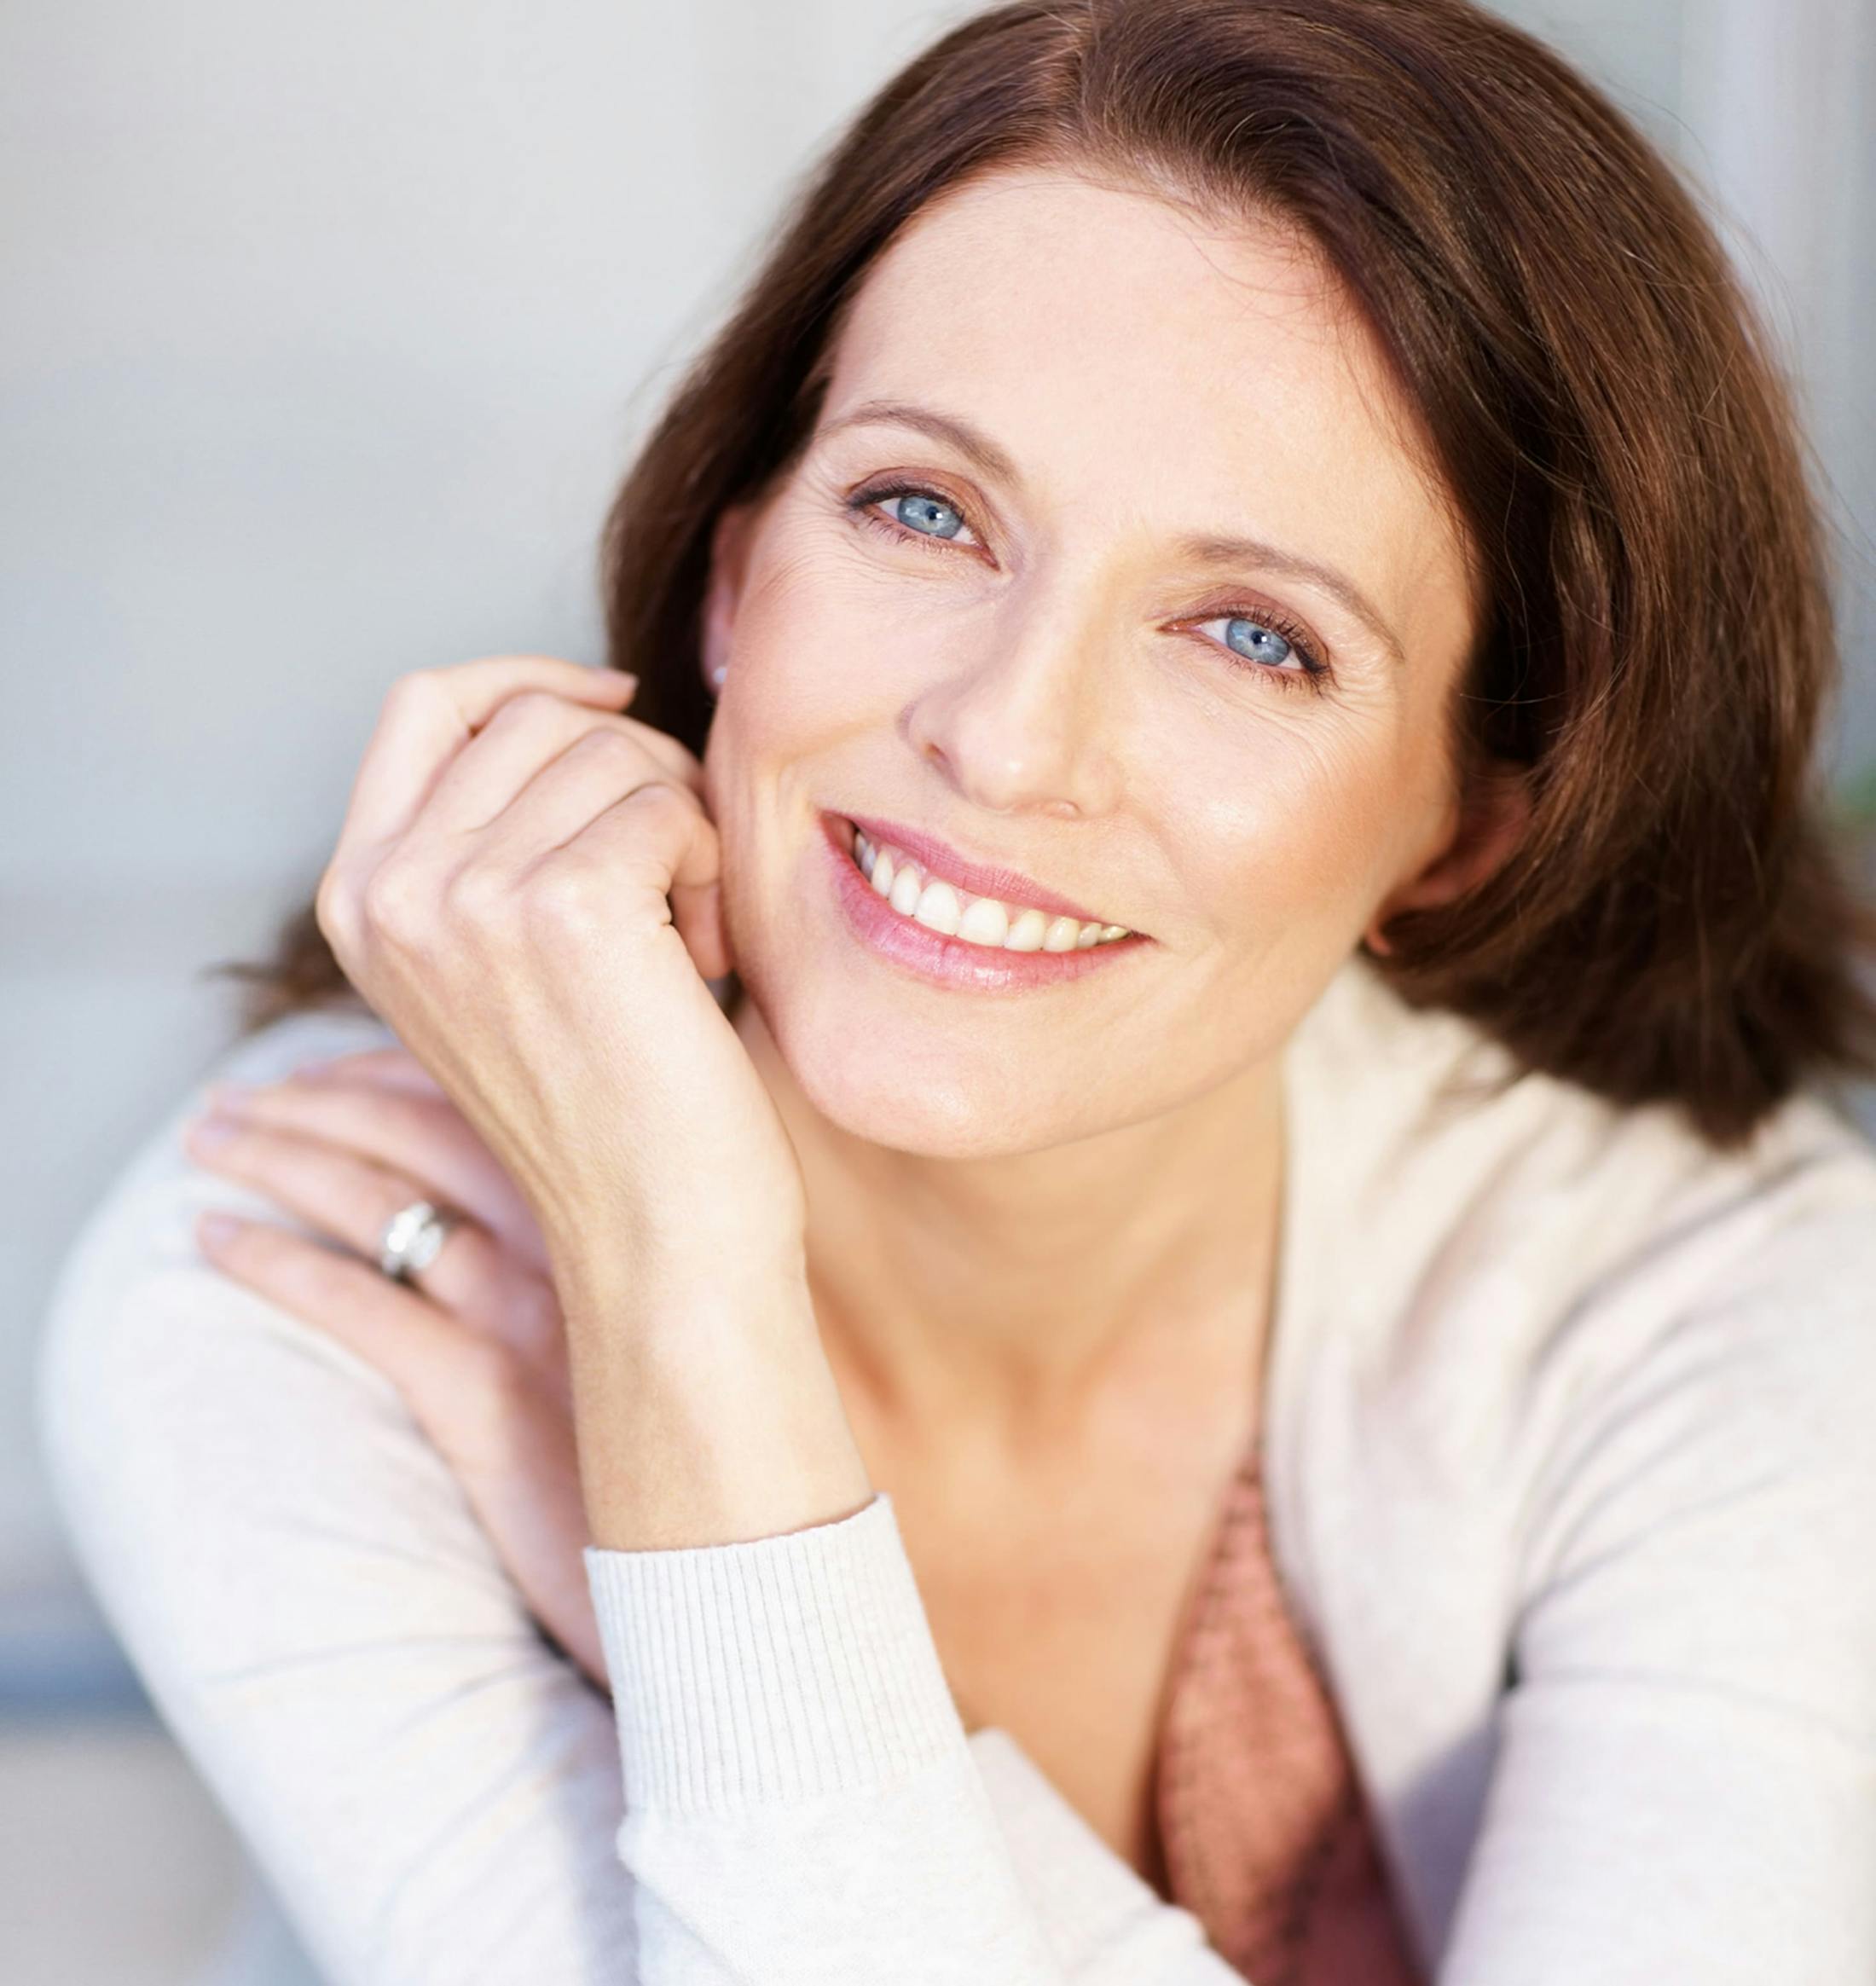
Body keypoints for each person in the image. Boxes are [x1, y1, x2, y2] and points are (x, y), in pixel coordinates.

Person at [36, 0, 1876, 1979]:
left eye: (1250, 635)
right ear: (735, 572)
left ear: (1456, 831)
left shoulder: (1703, 1296)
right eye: (920, 508)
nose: (1003, 740)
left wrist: (676, 1478)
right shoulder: (296, 1279)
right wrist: (673, 1263)